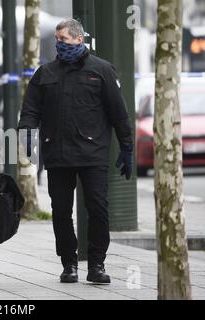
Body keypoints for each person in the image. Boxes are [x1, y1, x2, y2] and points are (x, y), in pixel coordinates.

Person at [18, 19, 134, 284]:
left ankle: (97, 264)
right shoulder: (45, 73)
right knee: (60, 211)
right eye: (57, 40)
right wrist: (26, 131)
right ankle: (68, 264)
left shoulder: (102, 70)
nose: (59, 44)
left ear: (79, 39)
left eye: (64, 40)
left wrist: (127, 146)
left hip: (93, 153)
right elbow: (31, 110)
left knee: (98, 208)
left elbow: (119, 112)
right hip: (57, 153)